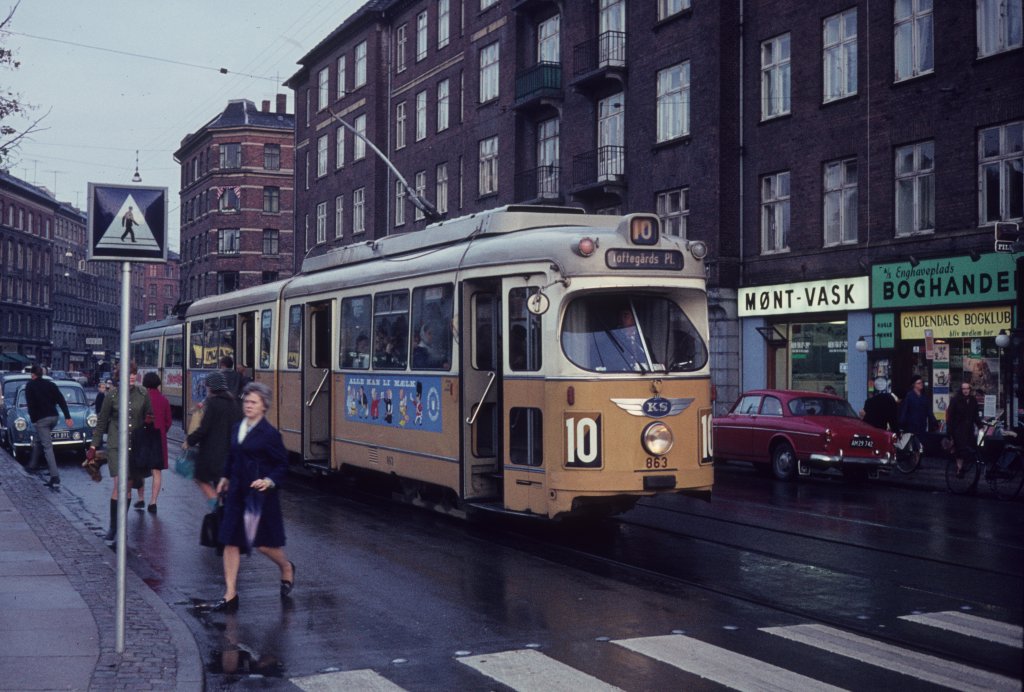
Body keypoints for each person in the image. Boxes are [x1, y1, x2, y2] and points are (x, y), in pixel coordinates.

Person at [197, 382, 294, 612]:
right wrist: (225, 477)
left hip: (259, 497)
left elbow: (282, 464)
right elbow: (232, 456)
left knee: (263, 544)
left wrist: (269, 481)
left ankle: (286, 567)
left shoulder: (269, 434)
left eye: (253, 402)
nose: (248, 405)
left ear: (264, 406)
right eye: (246, 401)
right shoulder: (237, 428)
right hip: (236, 494)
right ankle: (230, 594)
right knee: (230, 541)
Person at [88, 366, 153, 545]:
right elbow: (102, 421)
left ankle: (121, 526)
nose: (132, 377)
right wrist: (93, 445)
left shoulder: (143, 393)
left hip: (134, 446)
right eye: (128, 374)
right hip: (116, 445)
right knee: (119, 484)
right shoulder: (112, 395)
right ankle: (114, 526)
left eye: (134, 374)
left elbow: (149, 416)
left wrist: (149, 422)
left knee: (128, 486)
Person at [183, 371, 242, 510]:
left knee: (200, 477)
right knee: (223, 485)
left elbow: (203, 429)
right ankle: (225, 510)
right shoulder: (234, 404)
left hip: (212, 454)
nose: (206, 389)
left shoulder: (213, 404)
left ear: (212, 387)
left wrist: (189, 441)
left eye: (207, 386)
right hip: (230, 454)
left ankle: (217, 507)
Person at [24, 365, 74, 488]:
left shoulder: (30, 386)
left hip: (42, 420)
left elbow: (31, 405)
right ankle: (32, 465)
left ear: (32, 375)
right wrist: (67, 417)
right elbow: (61, 400)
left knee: (47, 447)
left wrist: (34, 420)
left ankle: (54, 476)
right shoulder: (51, 384)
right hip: (54, 417)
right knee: (39, 439)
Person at [142, 372, 172, 512]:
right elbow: (168, 422)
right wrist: (162, 431)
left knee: (140, 468)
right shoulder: (164, 400)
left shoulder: (143, 399)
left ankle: (140, 498)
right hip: (158, 439)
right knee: (157, 471)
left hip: (144, 437)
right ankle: (153, 502)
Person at [946, 380, 980, 478]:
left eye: (967, 388)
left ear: (970, 389)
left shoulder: (973, 400)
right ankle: (959, 469)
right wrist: (950, 432)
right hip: (958, 429)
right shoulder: (955, 400)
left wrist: (980, 426)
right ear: (961, 390)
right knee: (960, 450)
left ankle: (962, 467)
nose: (965, 390)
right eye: (963, 389)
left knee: (967, 449)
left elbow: (975, 415)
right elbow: (950, 416)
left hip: (969, 430)